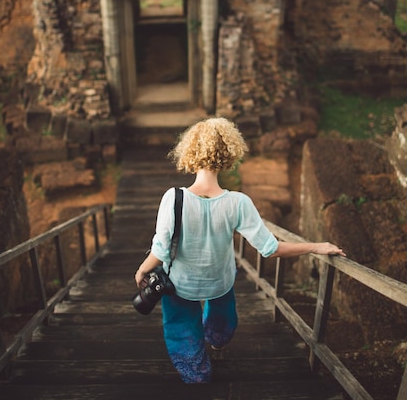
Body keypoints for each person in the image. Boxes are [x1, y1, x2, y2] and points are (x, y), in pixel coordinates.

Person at [134, 117, 345, 384]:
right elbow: (271, 249)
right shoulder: (238, 202)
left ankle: (197, 375)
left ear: (190, 152)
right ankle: (217, 340)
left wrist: (142, 269)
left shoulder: (173, 198)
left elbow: (161, 250)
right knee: (223, 321)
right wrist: (317, 246)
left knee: (181, 329)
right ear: (229, 153)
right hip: (219, 282)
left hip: (179, 284)